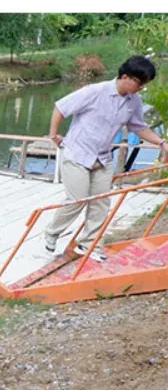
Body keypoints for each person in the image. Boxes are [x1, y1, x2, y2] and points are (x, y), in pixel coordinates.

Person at [44, 56, 167, 262]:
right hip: (77, 153)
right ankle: (52, 232)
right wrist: (53, 135)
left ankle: (89, 244)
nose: (140, 88)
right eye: (139, 82)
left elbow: (138, 126)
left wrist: (161, 143)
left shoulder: (133, 102)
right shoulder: (95, 91)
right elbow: (61, 108)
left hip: (102, 157)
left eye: (143, 84)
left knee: (101, 203)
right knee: (77, 200)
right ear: (125, 77)